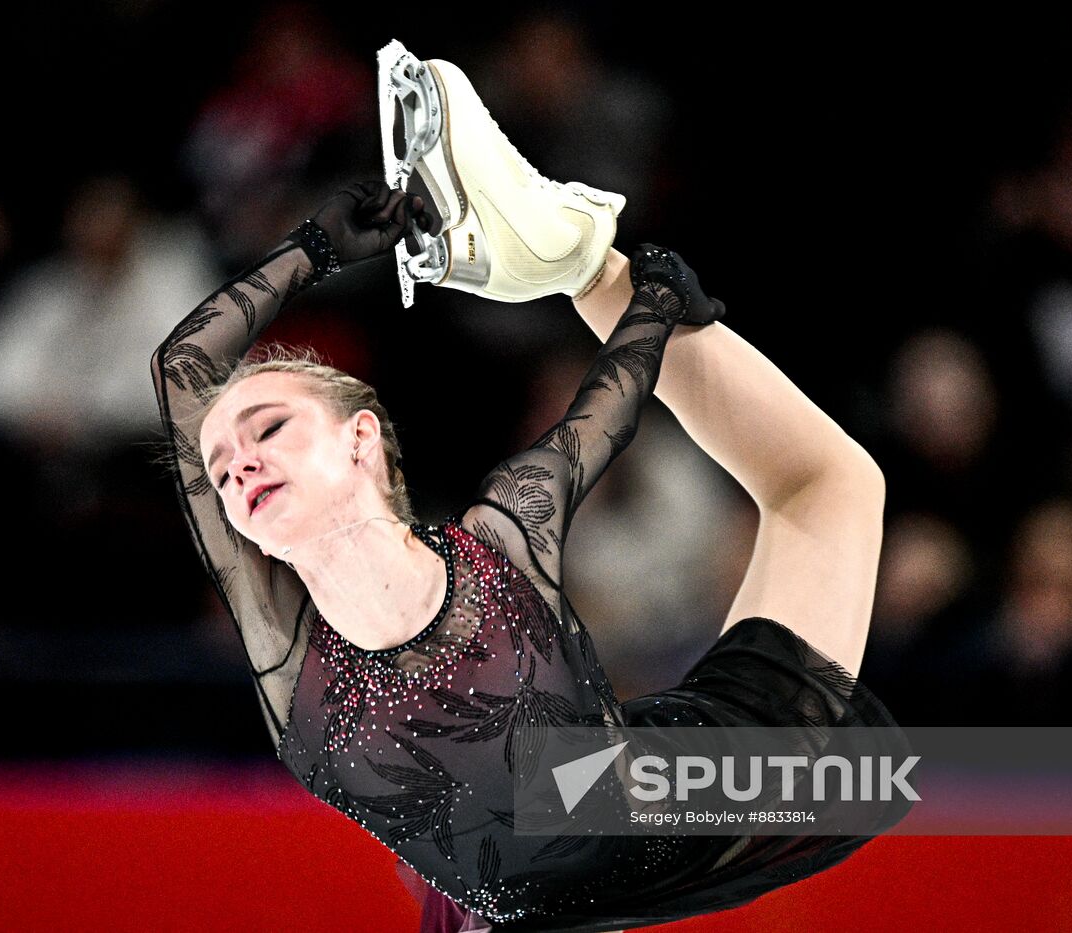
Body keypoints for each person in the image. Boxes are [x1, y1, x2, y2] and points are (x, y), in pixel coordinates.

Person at [151, 55, 909, 933]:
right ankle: (569, 250)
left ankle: (573, 249)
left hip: (658, 810)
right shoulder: (281, 642)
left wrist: (648, 298)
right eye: (220, 465)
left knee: (833, 484)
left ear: (361, 440)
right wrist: (313, 248)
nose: (236, 463)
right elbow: (181, 374)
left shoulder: (501, 538)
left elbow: (609, 409)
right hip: (514, 889)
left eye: (269, 429)